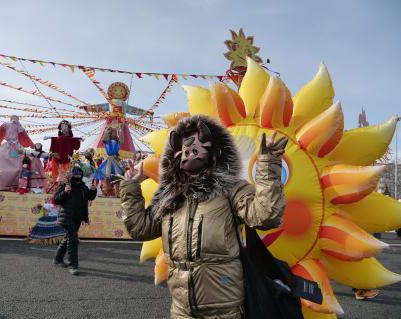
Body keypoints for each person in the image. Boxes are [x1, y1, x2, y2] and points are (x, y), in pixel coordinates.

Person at [120, 115, 289, 318]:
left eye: (197, 144)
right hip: (181, 309)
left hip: (223, 308)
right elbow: (140, 228)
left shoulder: (230, 189)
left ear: (214, 150)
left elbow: (265, 216)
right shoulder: (170, 197)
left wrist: (268, 165)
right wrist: (130, 187)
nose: (189, 151)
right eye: (183, 148)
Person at [53, 167, 97, 275]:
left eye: (79, 174)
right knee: (73, 240)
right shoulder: (65, 185)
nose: (77, 176)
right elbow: (56, 199)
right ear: (71, 175)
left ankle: (57, 259)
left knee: (68, 238)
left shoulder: (83, 187)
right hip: (67, 217)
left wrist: (93, 190)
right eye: (75, 174)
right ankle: (73, 265)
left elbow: (90, 196)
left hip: (78, 218)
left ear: (81, 175)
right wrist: (65, 191)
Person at [0, 115, 34, 190]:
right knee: (15, 167)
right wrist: (31, 144)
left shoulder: (7, 125)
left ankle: (1, 184)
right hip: (15, 148)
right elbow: (26, 137)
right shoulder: (19, 127)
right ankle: (8, 185)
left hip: (7, 147)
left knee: (0, 166)